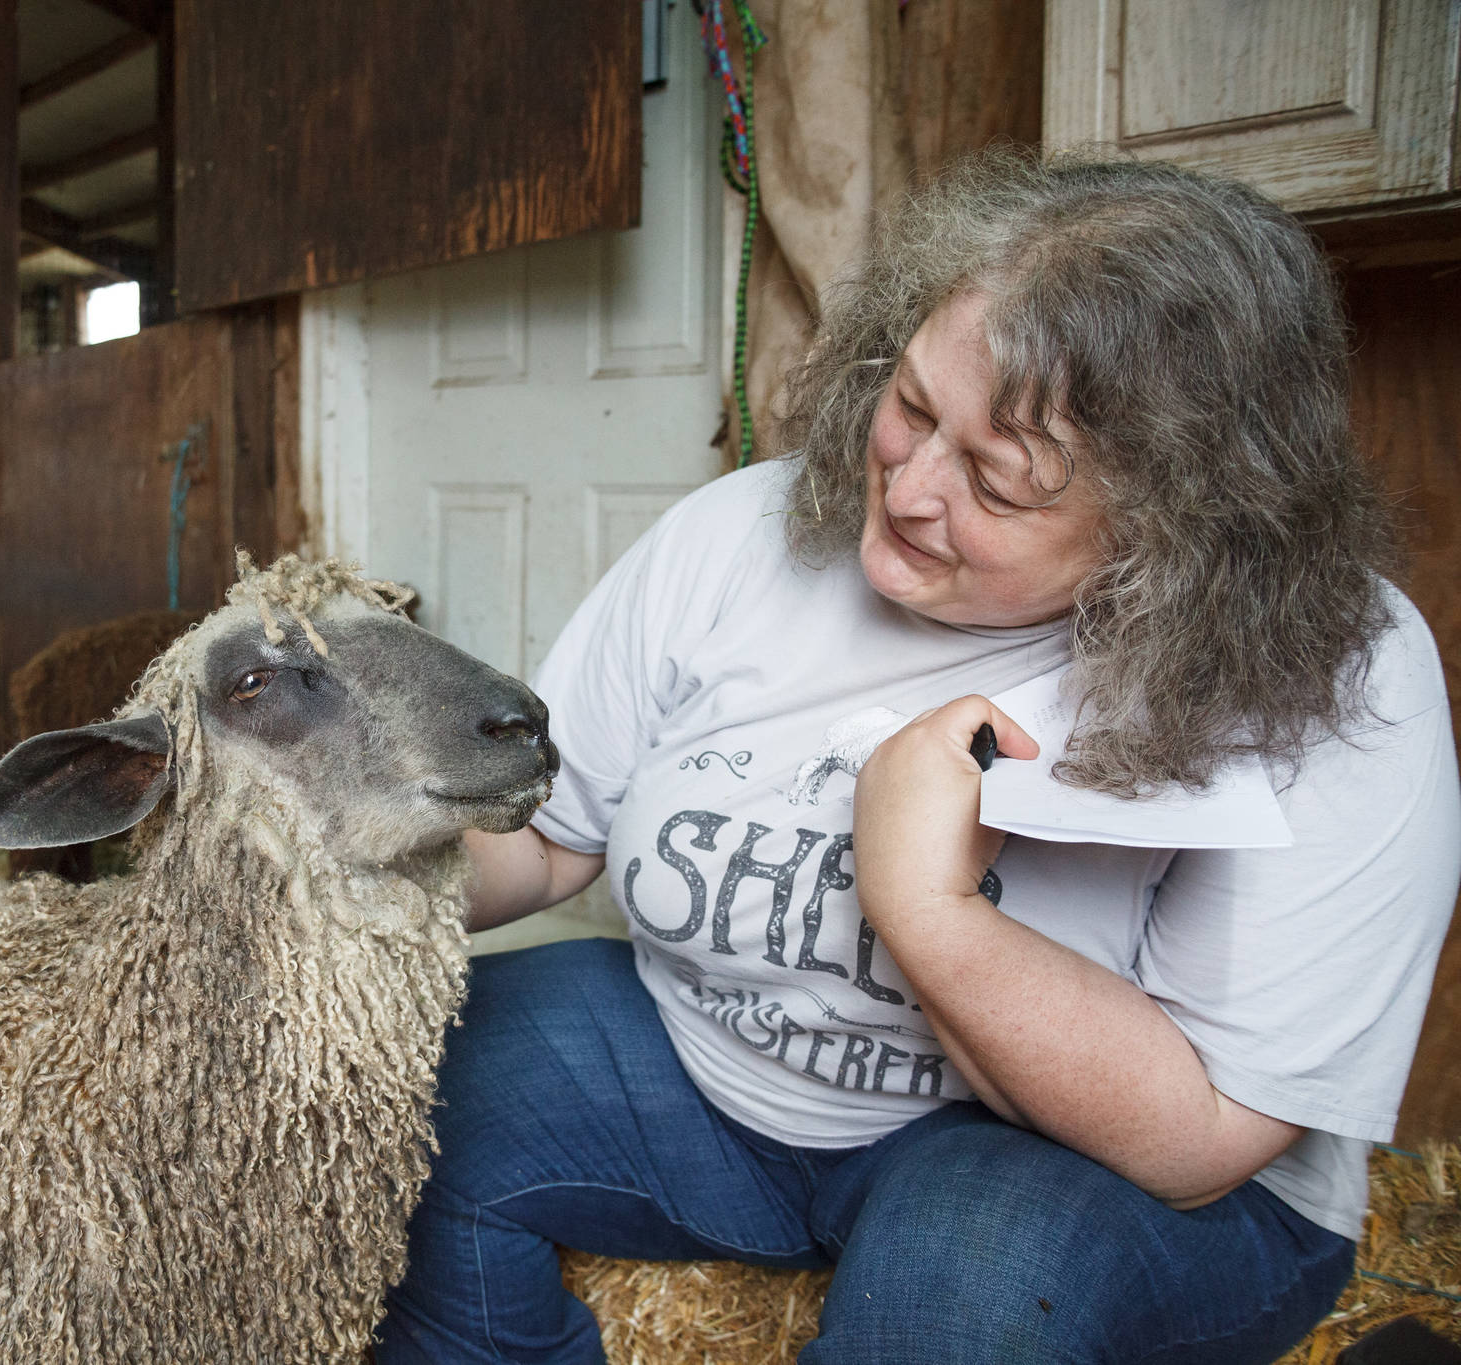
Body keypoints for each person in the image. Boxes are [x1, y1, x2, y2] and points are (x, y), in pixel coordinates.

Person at [371, 148, 1461, 1364]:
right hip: (711, 1064)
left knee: (964, 1288)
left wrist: (925, 908)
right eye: (911, 406)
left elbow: (1197, 1144)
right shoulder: (739, 531)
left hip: (1083, 1173)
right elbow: (544, 835)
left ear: (1172, 530)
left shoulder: (1331, 670)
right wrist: (330, 863)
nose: (907, 488)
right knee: (398, 1087)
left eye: (996, 480)